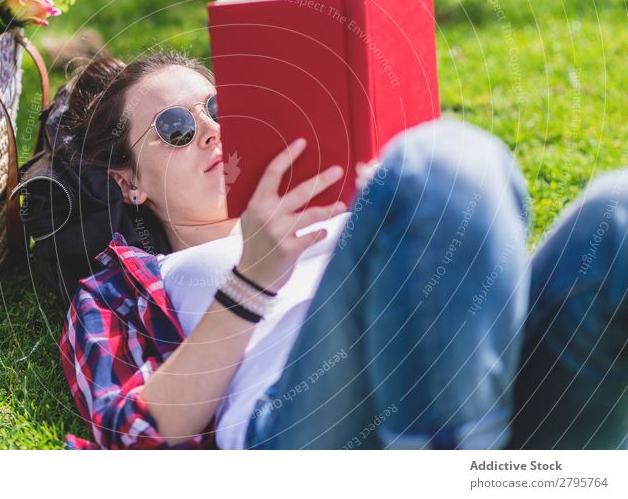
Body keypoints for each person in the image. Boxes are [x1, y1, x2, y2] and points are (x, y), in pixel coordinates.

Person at [57, 51, 628, 450]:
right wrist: (250, 281)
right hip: (304, 432)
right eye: (175, 128)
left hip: (479, 392)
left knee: (616, 212)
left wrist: (387, 203)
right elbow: (125, 434)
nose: (210, 130)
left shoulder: (353, 197)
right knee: (438, 162)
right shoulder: (124, 289)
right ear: (130, 184)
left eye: (218, 107)